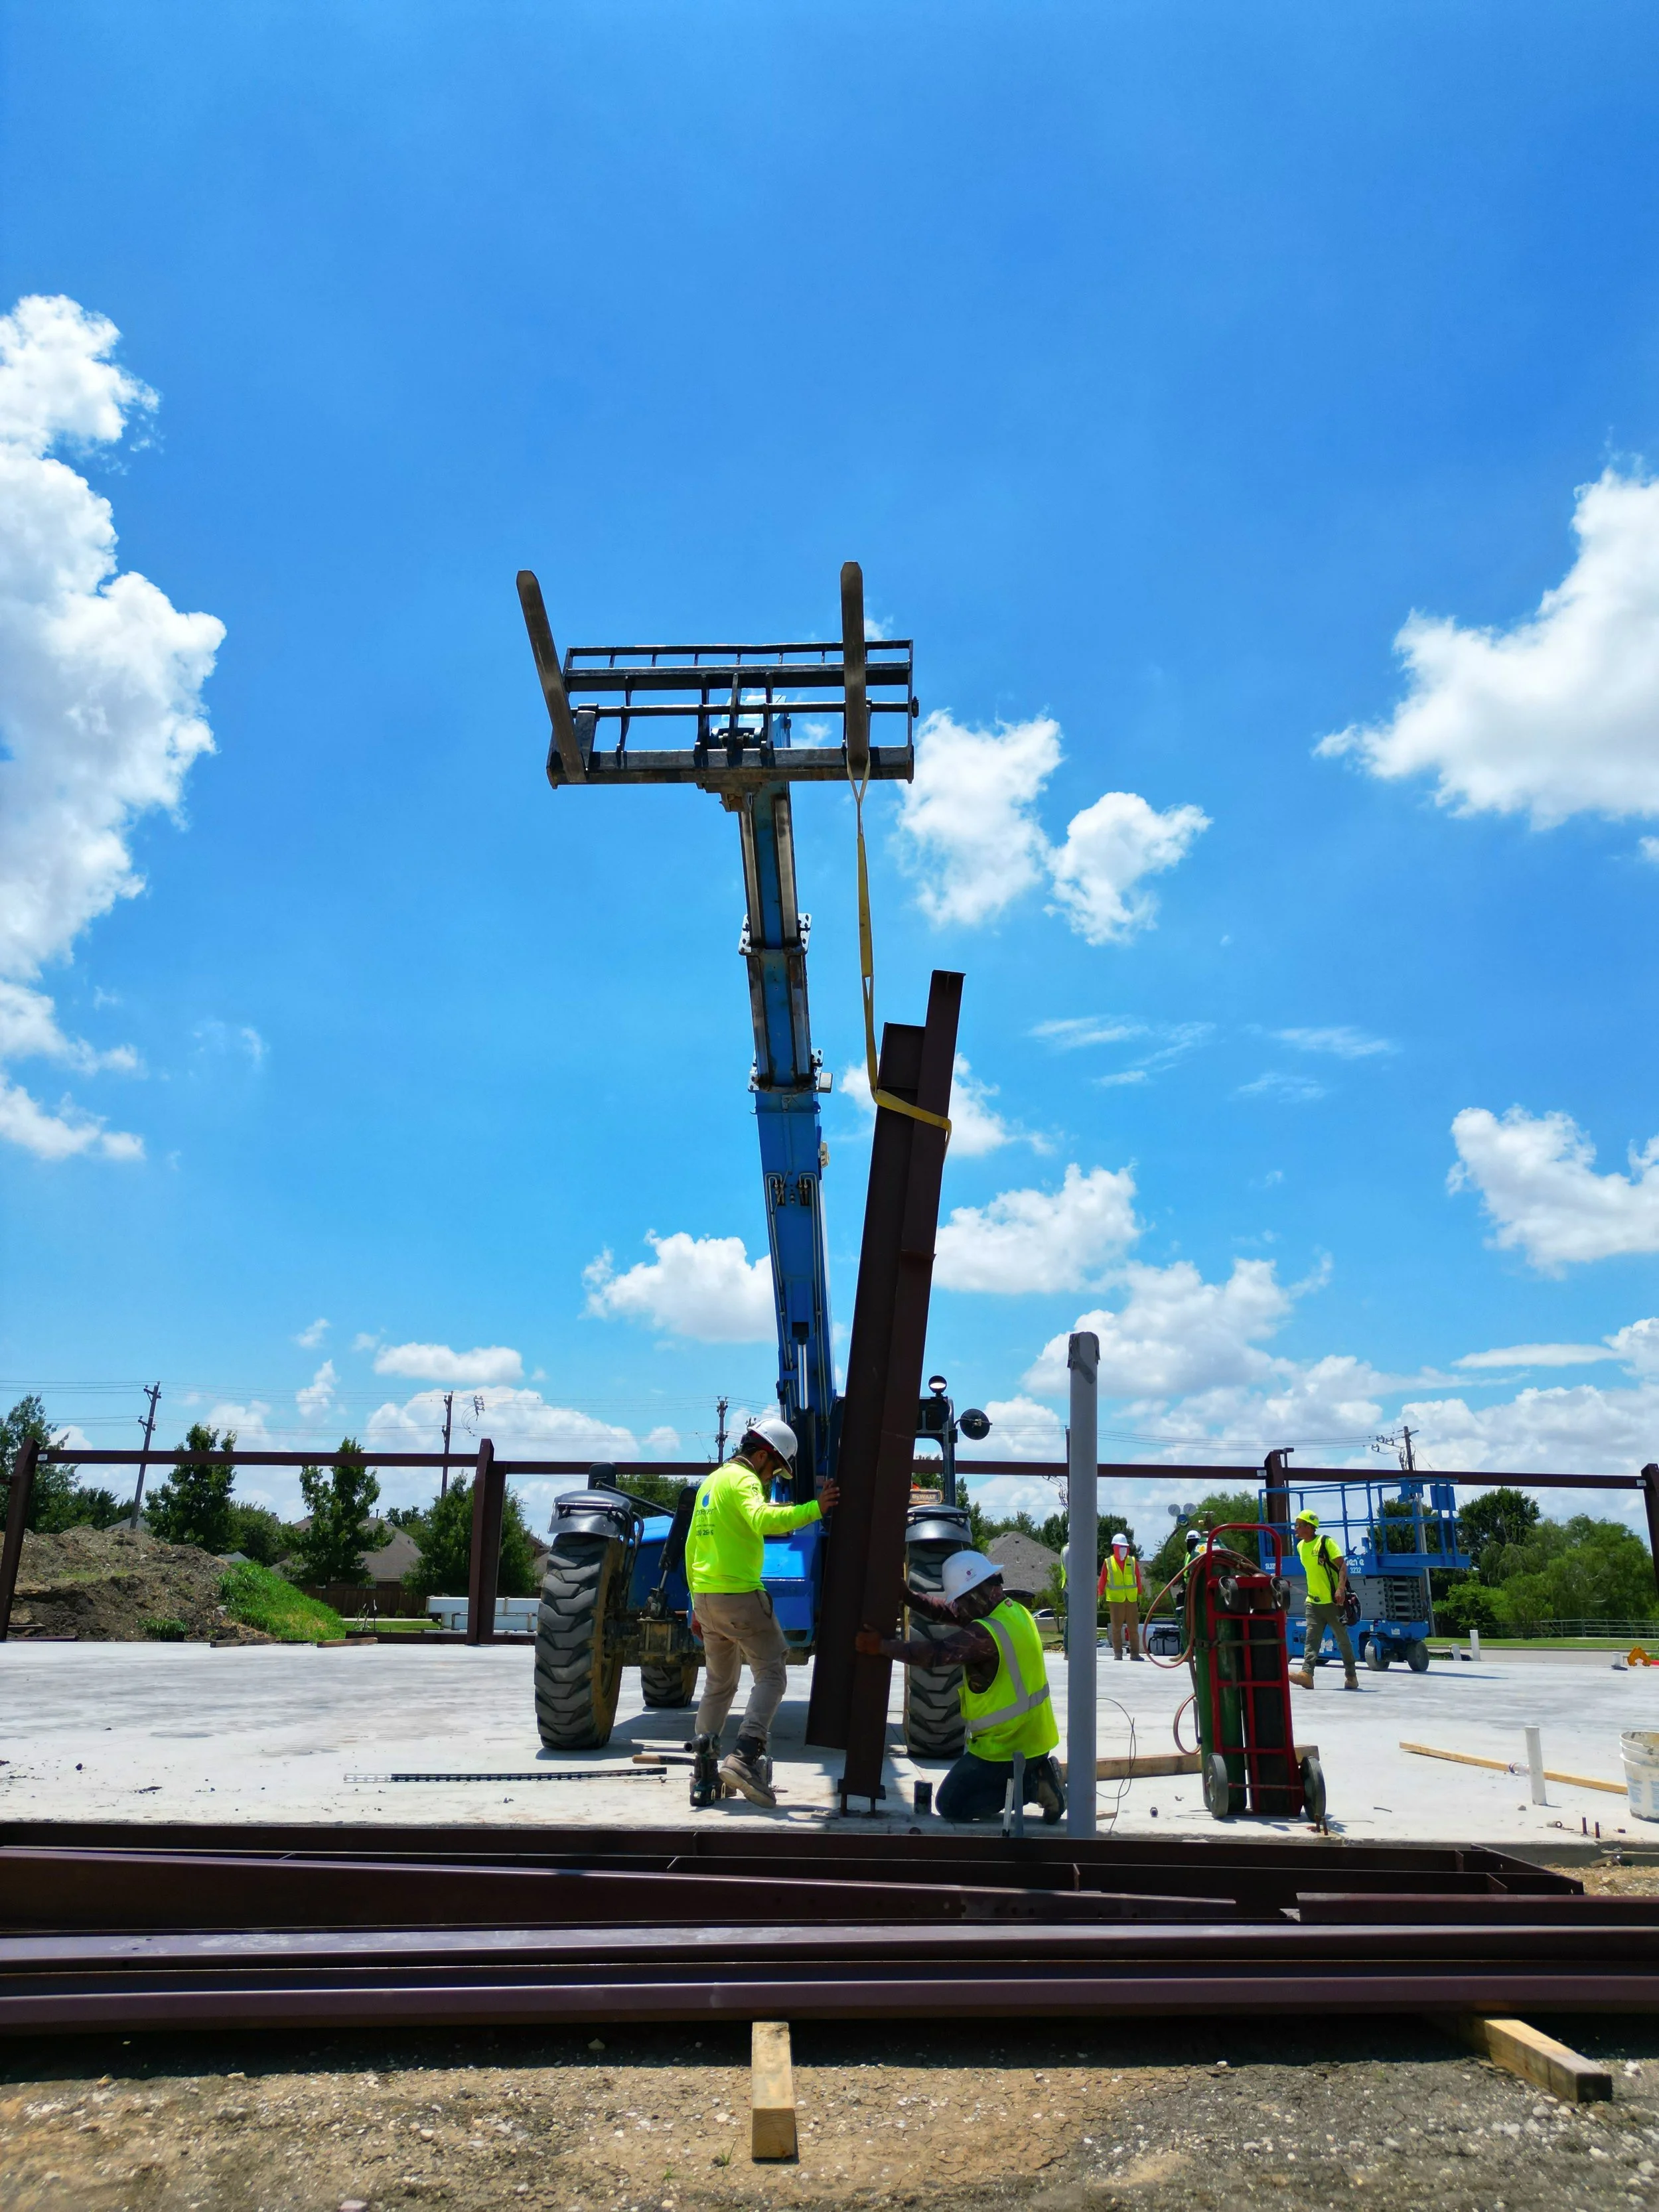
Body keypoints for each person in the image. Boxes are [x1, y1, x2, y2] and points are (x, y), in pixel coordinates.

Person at [685, 1416, 839, 1804]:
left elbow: (691, 1548)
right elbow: (763, 1519)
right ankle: (746, 1756)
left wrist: (694, 1606)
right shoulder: (744, 1480)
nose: (774, 1480)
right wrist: (814, 1509)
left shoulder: (713, 1482)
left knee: (719, 1685)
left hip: (706, 1597)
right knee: (772, 1673)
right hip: (740, 1597)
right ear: (762, 1455)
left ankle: (704, 1777)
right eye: (776, 1470)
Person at [855, 1549, 1065, 1824]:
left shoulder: (986, 1634)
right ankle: (1036, 1772)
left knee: (951, 1804)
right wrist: (908, 1597)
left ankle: (1034, 1787)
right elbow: (946, 1611)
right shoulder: (1015, 1613)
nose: (958, 1610)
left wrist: (881, 1647)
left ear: (976, 1595)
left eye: (961, 1602)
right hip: (1035, 1740)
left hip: (1006, 1746)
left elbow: (934, 1654)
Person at [1292, 1509, 1358, 1691]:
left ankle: (1351, 1676)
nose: (1295, 1528)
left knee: (1342, 1640)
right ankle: (1307, 1675)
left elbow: (1342, 1565)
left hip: (1333, 1602)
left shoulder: (1325, 1542)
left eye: (1299, 1524)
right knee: (1311, 1639)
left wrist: (1340, 1589)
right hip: (1313, 1602)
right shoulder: (1300, 1547)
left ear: (1309, 1527)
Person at [1097, 1532, 1145, 1660]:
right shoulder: (1108, 1562)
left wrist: (1140, 1593)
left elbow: (1138, 1578)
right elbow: (1102, 1579)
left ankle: (1135, 1654)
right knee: (1116, 1628)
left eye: (1125, 1547)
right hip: (1115, 1600)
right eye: (1120, 1547)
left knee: (1133, 1627)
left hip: (1131, 1599)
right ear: (1115, 1548)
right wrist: (1100, 1594)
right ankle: (1118, 1653)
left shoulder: (1132, 1561)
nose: (1123, 1550)